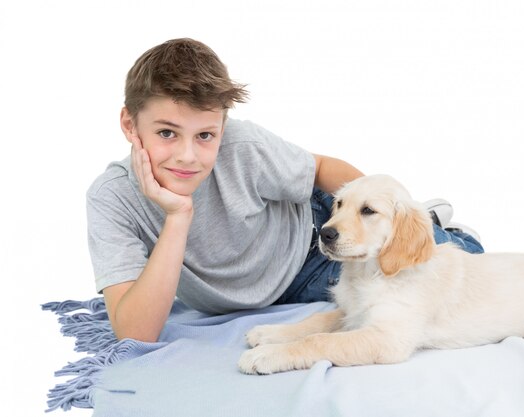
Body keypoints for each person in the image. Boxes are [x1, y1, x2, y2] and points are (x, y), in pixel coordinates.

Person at [87, 38, 484, 343]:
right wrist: (178, 215)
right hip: (277, 290)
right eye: (167, 133)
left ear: (222, 129)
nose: (188, 156)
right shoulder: (111, 199)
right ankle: (421, 217)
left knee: (455, 269)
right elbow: (135, 333)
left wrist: (385, 215)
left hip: (312, 245)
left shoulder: (244, 147)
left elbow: (324, 168)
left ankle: (424, 221)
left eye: (205, 135)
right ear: (129, 124)